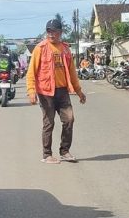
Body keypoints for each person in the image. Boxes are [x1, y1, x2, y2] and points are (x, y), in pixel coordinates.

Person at [26, 19, 86, 164]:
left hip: (62, 91)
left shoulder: (65, 49)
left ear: (60, 32)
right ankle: (47, 154)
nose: (51, 34)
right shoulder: (40, 49)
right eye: (49, 31)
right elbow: (31, 72)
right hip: (46, 92)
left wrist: (79, 91)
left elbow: (72, 73)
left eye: (54, 31)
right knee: (49, 123)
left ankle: (64, 151)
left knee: (69, 119)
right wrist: (31, 91)